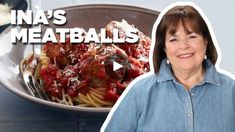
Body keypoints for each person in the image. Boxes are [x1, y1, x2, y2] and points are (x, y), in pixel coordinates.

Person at [101, 2, 235, 132]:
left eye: (192, 36)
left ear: (205, 41)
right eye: (173, 39)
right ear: (164, 48)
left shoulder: (231, 91)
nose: (183, 46)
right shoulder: (140, 92)